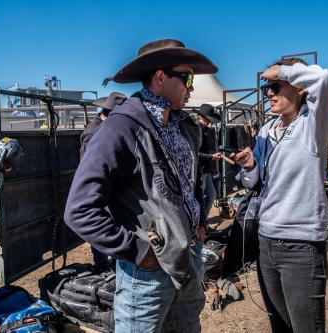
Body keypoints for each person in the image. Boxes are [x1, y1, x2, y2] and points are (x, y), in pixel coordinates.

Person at [64, 39, 218, 332]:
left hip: (190, 260)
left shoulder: (186, 126)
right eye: (187, 78)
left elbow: (191, 181)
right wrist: (138, 251)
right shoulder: (121, 128)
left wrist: (199, 224)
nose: (192, 87)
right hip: (147, 276)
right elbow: (79, 210)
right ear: (161, 78)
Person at [233, 58, 328, 333]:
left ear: (299, 88)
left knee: (305, 328)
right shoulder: (267, 130)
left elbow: (326, 81)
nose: (269, 92)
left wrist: (283, 71)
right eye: (267, 87)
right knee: (279, 325)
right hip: (266, 240)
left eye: (276, 86)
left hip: (300, 244)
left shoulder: (314, 126)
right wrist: (250, 166)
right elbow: (254, 181)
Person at [78, 92, 126, 272]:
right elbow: (92, 165)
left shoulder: (103, 128)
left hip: (108, 187)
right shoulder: (94, 132)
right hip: (99, 189)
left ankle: (110, 265)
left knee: (110, 226)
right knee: (101, 228)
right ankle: (102, 267)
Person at [195, 103, 222, 219]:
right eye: (208, 119)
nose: (210, 122)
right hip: (200, 171)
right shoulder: (197, 129)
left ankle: (203, 224)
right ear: (202, 117)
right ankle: (199, 226)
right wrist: (211, 156)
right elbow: (196, 153)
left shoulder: (205, 129)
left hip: (206, 170)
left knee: (211, 195)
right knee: (200, 199)